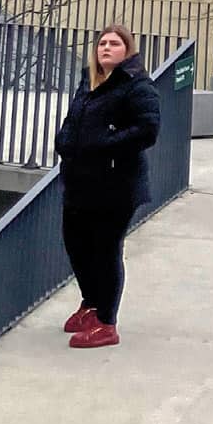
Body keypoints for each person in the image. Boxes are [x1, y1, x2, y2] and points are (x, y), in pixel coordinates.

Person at [53, 24, 162, 350]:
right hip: (80, 180)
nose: (106, 48)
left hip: (116, 184)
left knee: (105, 250)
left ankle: (106, 323)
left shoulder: (137, 86)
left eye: (114, 43)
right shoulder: (89, 80)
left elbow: (148, 130)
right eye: (102, 43)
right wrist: (64, 141)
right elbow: (74, 119)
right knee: (76, 243)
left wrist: (106, 143)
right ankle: (91, 303)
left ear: (127, 50)